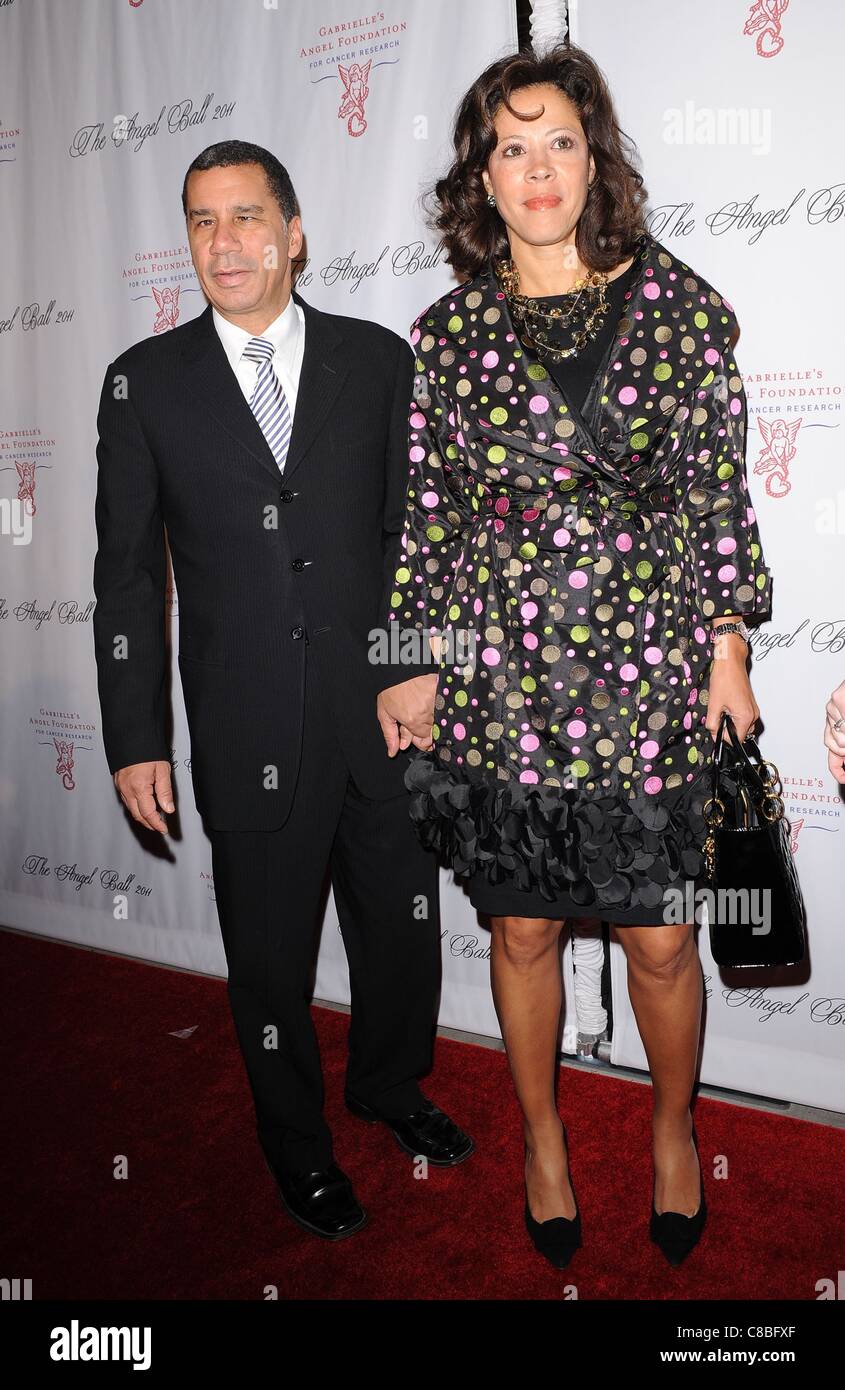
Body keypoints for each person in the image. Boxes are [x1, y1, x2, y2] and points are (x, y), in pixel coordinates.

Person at [376, 45, 773, 1269]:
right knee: (521, 932)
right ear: (479, 179)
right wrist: (407, 658)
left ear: (593, 159)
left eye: (557, 142)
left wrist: (726, 643)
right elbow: (428, 514)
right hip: (505, 673)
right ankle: (543, 1137)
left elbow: (714, 493)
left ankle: (669, 1127)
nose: (535, 169)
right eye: (509, 146)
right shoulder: (444, 336)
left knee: (659, 935)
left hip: (649, 661)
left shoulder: (683, 307)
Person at [93, 139, 471, 1244]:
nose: (227, 242)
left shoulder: (375, 361)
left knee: (399, 933)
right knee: (267, 960)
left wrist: (416, 665)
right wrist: (132, 734)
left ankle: (390, 1087)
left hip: (385, 716)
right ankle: (296, 1147)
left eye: (248, 217)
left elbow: (418, 537)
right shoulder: (142, 380)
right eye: (204, 222)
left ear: (294, 234)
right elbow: (124, 577)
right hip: (244, 719)